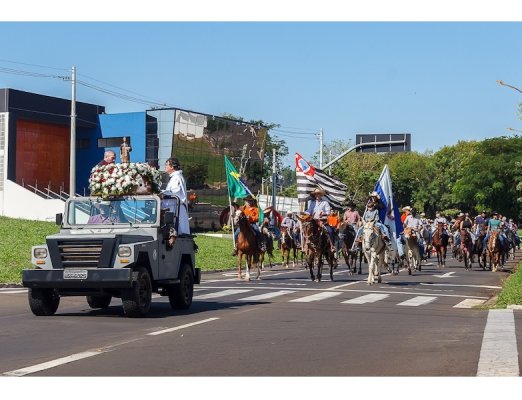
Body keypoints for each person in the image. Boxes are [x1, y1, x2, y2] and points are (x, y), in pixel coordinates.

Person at [161, 157, 190, 236]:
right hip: (174, 206)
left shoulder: (176, 177)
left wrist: (162, 193)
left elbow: (175, 191)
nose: (165, 167)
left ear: (172, 166)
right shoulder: (175, 177)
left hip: (176, 207)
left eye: (167, 165)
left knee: (177, 232)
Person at [306, 187, 336, 252]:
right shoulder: (312, 203)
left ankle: (332, 246)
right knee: (305, 229)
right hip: (313, 221)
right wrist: (304, 214)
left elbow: (328, 213)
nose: (317, 195)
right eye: (315, 194)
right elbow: (309, 211)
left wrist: (323, 215)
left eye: (318, 194)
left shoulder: (325, 203)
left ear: (321, 195)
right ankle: (305, 244)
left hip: (323, 221)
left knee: (330, 231)